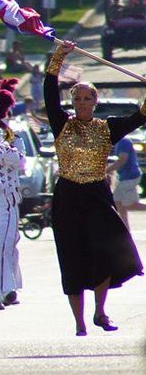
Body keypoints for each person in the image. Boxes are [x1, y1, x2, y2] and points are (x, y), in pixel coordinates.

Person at [43, 41, 145, 336]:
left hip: (97, 194)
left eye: (88, 98)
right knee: (72, 256)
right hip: (69, 196)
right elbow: (50, 93)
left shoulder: (107, 128)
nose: (83, 103)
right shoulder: (62, 125)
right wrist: (58, 58)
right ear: (73, 101)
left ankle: (101, 311)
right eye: (78, 98)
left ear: (95, 101)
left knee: (103, 252)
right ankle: (79, 321)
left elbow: (139, 117)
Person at [109, 136, 141, 231]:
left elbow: (122, 159)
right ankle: (125, 229)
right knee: (120, 203)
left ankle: (125, 229)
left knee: (127, 204)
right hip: (127, 176)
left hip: (130, 176)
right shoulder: (119, 141)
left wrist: (107, 170)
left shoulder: (124, 141)